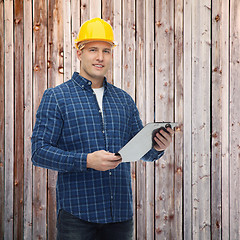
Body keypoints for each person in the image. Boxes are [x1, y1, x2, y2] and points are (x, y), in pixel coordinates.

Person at [31, 18, 174, 240]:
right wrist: (87, 161)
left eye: (106, 51)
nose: (100, 57)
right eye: (93, 50)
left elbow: (142, 151)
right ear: (79, 53)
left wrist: (157, 146)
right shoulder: (57, 97)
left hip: (119, 216)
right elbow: (39, 152)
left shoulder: (123, 100)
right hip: (77, 216)